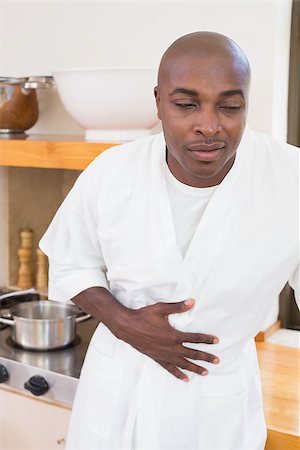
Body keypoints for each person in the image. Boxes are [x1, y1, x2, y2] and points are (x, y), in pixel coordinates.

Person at [40, 31, 299, 450]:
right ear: (158, 101)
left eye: (230, 106)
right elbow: (71, 262)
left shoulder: (290, 180)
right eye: (186, 104)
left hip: (217, 406)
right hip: (116, 394)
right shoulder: (112, 172)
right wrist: (126, 325)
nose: (209, 125)